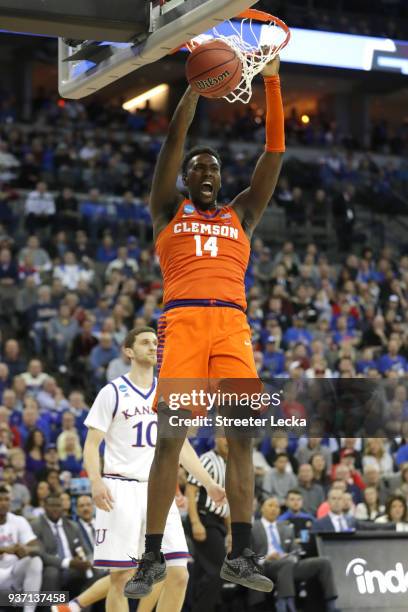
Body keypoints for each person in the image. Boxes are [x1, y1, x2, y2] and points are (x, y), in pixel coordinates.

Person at [125, 54, 285, 598]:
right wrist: (194, 88)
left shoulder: (244, 213)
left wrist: (273, 82)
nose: (208, 173)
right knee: (171, 440)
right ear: (187, 178)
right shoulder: (168, 209)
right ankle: (150, 555)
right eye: (199, 168)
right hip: (185, 322)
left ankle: (241, 553)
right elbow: (174, 141)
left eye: (214, 168)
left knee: (241, 439)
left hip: (233, 328)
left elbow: (274, 152)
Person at [81, 327, 226, 612]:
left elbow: (181, 446)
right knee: (121, 578)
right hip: (120, 488)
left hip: (158, 491)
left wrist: (208, 483)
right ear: (128, 351)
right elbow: (90, 445)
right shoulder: (112, 392)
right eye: (145, 343)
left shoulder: (169, 393)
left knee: (179, 573)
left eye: (156, 343)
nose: (153, 347)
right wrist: (95, 482)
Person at [251, 497, 338, 612]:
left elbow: (296, 550)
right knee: (285, 564)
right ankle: (286, 606)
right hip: (266, 566)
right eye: (270, 505)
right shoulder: (253, 527)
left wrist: (290, 555)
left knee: (324, 562)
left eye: (276, 506)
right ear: (262, 508)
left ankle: (331, 605)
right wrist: (266, 557)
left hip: (288, 564)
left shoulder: (286, 528)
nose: (274, 509)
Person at [185, 437, 230, 612]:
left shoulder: (231, 465)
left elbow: (228, 502)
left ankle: (191, 606)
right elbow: (190, 491)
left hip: (218, 521)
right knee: (220, 570)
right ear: (216, 438)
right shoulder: (207, 459)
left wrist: (231, 531)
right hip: (203, 518)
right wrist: (195, 522)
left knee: (201, 572)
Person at [31, 494, 93, 595]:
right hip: (50, 567)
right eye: (52, 506)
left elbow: (87, 551)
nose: (55, 509)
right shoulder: (36, 526)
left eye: (58, 506)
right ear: (44, 507)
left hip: (74, 567)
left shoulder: (73, 525)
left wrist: (88, 561)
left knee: (95, 571)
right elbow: (41, 554)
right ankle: (50, 609)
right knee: (52, 573)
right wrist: (68, 562)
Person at [0, 484, 43, 612]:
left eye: (6, 499)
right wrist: (5, 549)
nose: (3, 503)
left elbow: (38, 547)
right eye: (0, 500)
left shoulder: (18, 521)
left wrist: (26, 549)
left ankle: (29, 610)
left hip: (12, 574)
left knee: (35, 561)